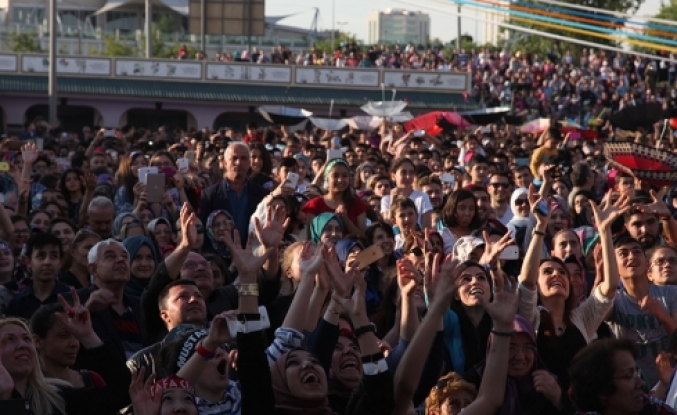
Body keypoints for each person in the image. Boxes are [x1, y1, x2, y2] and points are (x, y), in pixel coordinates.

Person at [569, 338, 677, 415]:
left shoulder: (646, 405)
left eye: (636, 373)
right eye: (629, 375)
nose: (641, 383)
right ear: (603, 390)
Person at [199, 143, 269, 247]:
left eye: (243, 158)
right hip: (220, 257)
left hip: (252, 255)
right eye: (234, 158)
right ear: (225, 163)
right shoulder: (210, 195)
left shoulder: (261, 194)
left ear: (249, 163)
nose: (239, 162)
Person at [6, 233, 69, 320]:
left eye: (54, 256)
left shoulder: (70, 298)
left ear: (61, 262)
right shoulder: (17, 303)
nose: (47, 262)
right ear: (28, 261)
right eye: (41, 256)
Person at [304, 158, 369, 238]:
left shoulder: (358, 204)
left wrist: (345, 219)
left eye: (344, 176)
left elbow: (364, 238)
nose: (340, 180)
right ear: (327, 179)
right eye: (335, 176)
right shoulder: (315, 204)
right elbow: (310, 237)